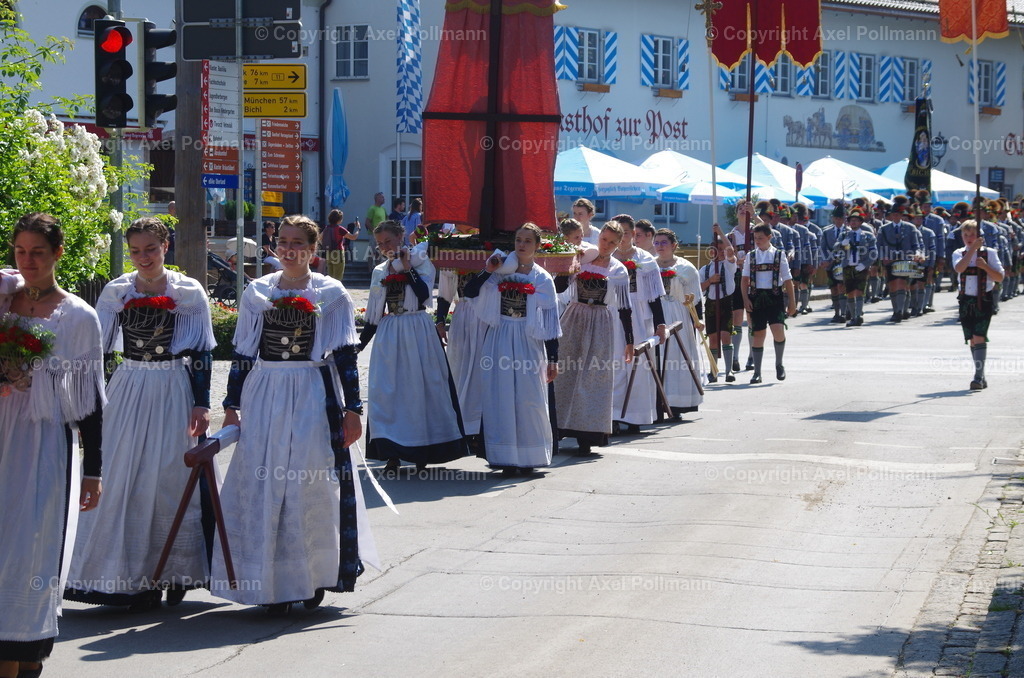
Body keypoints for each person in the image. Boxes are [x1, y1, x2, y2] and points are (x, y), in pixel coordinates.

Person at [212, 215, 372, 614]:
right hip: (266, 392)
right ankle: (267, 577)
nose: (288, 248)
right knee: (262, 479)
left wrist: (353, 409)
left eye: (298, 242)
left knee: (306, 480)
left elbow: (345, 355)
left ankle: (309, 575)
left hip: (311, 391)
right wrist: (232, 405)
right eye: (282, 241)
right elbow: (244, 352)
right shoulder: (257, 291)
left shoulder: (331, 292)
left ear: (313, 250)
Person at [66, 217, 215, 609]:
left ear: (166, 247)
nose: (143, 257)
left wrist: (202, 402)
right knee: (120, 472)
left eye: (150, 249)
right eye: (135, 251)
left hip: (171, 386)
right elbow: (95, 352)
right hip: (129, 384)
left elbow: (201, 350)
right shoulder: (118, 291)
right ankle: (118, 575)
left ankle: (172, 571)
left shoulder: (188, 291)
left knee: (167, 476)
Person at [0, 213, 105, 678]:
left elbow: (90, 404)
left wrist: (94, 469)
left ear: (58, 253)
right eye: (20, 252)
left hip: (42, 442)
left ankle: (24, 648)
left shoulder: (78, 316)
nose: (28, 262)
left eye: (38, 252)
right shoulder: (3, 300)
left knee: (31, 545)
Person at [361, 220, 467, 473]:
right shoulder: (380, 271)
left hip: (418, 328)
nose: (384, 247)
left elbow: (423, 295)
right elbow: (375, 313)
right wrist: (359, 345)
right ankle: (391, 453)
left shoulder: (422, 263)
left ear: (401, 237)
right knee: (388, 392)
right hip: (391, 333)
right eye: (380, 244)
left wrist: (407, 267)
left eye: (388, 241)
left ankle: (422, 450)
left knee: (421, 390)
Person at [462, 224, 561, 474]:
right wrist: (488, 270)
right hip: (500, 336)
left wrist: (553, 359)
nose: (522, 245)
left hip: (528, 341)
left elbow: (550, 323)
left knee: (529, 398)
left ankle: (530, 455)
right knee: (500, 395)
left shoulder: (542, 278)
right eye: (519, 239)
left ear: (537, 246)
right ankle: (504, 455)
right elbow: (470, 291)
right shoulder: (501, 271)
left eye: (528, 241)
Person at [554, 221, 633, 454]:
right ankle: (556, 429)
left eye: (611, 242)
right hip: (575, 315)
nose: (606, 245)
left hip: (600, 320)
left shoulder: (619, 270)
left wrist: (629, 341)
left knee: (594, 377)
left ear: (619, 244)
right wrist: (569, 264)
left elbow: (625, 308)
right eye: (603, 239)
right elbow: (559, 288)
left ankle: (587, 435)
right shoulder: (583, 257)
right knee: (564, 371)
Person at [611, 214, 667, 432]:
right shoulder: (608, 258)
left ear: (634, 234)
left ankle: (635, 417)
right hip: (613, 318)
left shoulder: (646, 260)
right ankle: (613, 416)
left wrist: (661, 324)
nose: (622, 238)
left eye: (625, 233)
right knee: (614, 365)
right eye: (617, 233)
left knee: (638, 367)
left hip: (639, 320)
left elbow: (655, 296)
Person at [653, 227, 703, 413]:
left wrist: (698, 321)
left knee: (678, 359)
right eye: (657, 243)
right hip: (656, 316)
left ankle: (678, 403)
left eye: (664, 242)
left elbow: (695, 298)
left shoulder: (686, 268)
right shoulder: (650, 265)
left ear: (674, 245)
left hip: (679, 316)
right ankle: (657, 402)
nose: (660, 246)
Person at [741, 223, 797, 383]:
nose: (757, 241)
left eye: (760, 238)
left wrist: (792, 303)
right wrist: (745, 300)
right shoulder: (751, 256)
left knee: (778, 331)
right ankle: (757, 372)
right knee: (758, 334)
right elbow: (744, 281)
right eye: (755, 238)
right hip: (756, 298)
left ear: (769, 237)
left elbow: (787, 280)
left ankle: (779, 364)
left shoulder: (779, 255)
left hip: (775, 297)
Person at [952, 220, 1004, 390]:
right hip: (966, 301)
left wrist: (986, 266)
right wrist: (973, 250)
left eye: (972, 234)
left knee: (979, 335)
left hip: (984, 299)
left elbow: (999, 278)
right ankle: (980, 374)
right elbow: (959, 268)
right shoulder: (958, 253)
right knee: (972, 340)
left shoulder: (989, 253)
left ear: (979, 236)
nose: (968, 238)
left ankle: (978, 377)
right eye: (965, 235)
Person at [700, 224, 737, 383]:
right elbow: (699, 287)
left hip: (725, 302)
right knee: (713, 338)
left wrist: (720, 233)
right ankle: (713, 371)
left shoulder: (729, 266)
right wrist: (710, 281)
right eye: (717, 249)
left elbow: (730, 251)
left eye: (722, 249)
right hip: (710, 304)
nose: (721, 252)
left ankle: (729, 371)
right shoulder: (705, 269)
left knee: (725, 336)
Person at [878, 196, 923, 323]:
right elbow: (879, 245)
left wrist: (918, 254)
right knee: (892, 285)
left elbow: (916, 245)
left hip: (906, 259)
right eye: (894, 214)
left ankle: (900, 311)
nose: (896, 216)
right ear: (891, 215)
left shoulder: (910, 228)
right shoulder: (884, 229)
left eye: (898, 214)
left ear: (902, 215)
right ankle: (896, 309)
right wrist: (883, 257)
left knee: (903, 284)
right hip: (890, 260)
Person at [833, 207, 877, 326]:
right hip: (848, 267)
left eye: (856, 220)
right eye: (851, 220)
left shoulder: (868, 236)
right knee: (850, 291)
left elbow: (874, 253)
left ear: (861, 222)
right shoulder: (844, 234)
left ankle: (858, 315)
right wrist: (842, 244)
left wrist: (865, 264)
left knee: (859, 291)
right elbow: (835, 247)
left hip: (861, 267)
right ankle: (853, 316)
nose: (853, 222)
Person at [323, 209, 358, 281]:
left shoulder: (326, 228)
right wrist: (358, 229)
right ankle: (336, 291)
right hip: (338, 252)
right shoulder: (340, 229)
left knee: (330, 277)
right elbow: (353, 237)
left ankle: (330, 291)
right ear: (339, 219)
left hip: (329, 253)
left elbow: (320, 238)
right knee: (338, 278)